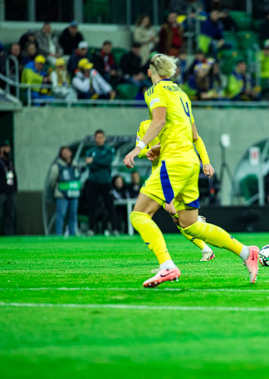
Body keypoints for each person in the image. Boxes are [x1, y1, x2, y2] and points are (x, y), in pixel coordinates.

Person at [123, 54, 259, 287]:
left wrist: (138, 149)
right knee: (190, 224)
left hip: (173, 163)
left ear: (151, 72)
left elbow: (158, 121)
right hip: (189, 162)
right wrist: (159, 147)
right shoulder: (181, 94)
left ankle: (167, 266)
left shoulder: (155, 90)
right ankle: (247, 253)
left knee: (139, 215)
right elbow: (194, 135)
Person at [135, 119, 215, 261]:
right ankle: (206, 249)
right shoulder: (145, 126)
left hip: (176, 171)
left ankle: (166, 261)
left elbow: (196, 139)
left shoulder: (176, 120)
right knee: (178, 221)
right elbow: (139, 151)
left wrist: (206, 161)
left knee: (144, 213)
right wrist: (151, 151)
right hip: (159, 175)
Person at [85, 130, 117, 236]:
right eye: (97, 137)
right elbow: (90, 165)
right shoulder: (90, 151)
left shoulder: (109, 150)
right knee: (92, 206)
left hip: (105, 181)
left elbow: (107, 161)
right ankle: (91, 229)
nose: (99, 139)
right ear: (95, 138)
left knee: (110, 205)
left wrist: (94, 160)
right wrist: (98, 162)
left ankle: (114, 228)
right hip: (93, 181)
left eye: (101, 137)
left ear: (104, 138)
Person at [49, 146, 80, 236]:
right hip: (61, 195)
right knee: (61, 215)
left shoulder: (75, 165)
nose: (65, 153)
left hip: (74, 194)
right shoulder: (57, 166)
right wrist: (58, 189)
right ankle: (59, 234)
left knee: (73, 216)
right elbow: (52, 181)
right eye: (63, 152)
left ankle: (72, 234)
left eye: (67, 151)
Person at [0, 140, 16, 235]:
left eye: (9, 147)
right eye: (6, 147)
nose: (8, 149)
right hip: (1, 192)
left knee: (10, 215)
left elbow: (14, 175)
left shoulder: (10, 162)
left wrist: (14, 189)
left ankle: (9, 234)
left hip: (10, 192)